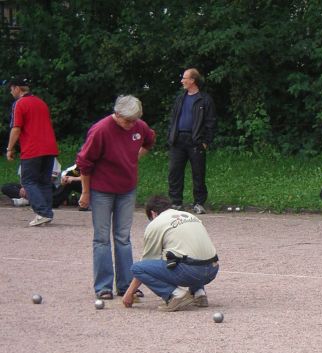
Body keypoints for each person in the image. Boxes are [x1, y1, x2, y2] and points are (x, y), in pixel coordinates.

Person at [77, 95, 156, 300]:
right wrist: (86, 193)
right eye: (127, 121)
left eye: (134, 121)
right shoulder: (101, 130)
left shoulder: (139, 126)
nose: (131, 125)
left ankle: (126, 285)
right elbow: (84, 163)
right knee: (102, 238)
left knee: (123, 238)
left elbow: (149, 140)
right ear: (117, 114)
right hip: (101, 190)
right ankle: (103, 286)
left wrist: (134, 157)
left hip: (127, 189)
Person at [122, 195, 219, 312]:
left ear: (153, 213)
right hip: (212, 269)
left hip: (190, 272)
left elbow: (147, 262)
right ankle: (199, 293)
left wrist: (129, 292)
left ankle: (175, 295)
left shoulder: (156, 223)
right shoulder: (189, 215)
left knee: (138, 268)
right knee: (186, 254)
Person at [5, 76, 59, 226]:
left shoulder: (19, 103)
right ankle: (47, 213)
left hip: (33, 148)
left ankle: (42, 212)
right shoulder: (41, 102)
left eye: (11, 89)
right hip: (50, 147)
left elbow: (16, 128)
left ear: (16, 88)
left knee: (28, 181)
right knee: (44, 182)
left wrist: (9, 148)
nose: (11, 92)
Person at [167, 68, 217, 214]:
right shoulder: (180, 98)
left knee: (198, 173)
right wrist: (171, 135)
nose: (182, 80)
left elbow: (211, 122)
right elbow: (173, 118)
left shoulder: (205, 100)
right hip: (178, 140)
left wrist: (206, 141)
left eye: (184, 78)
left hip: (196, 140)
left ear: (192, 80)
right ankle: (176, 203)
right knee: (174, 172)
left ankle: (199, 203)